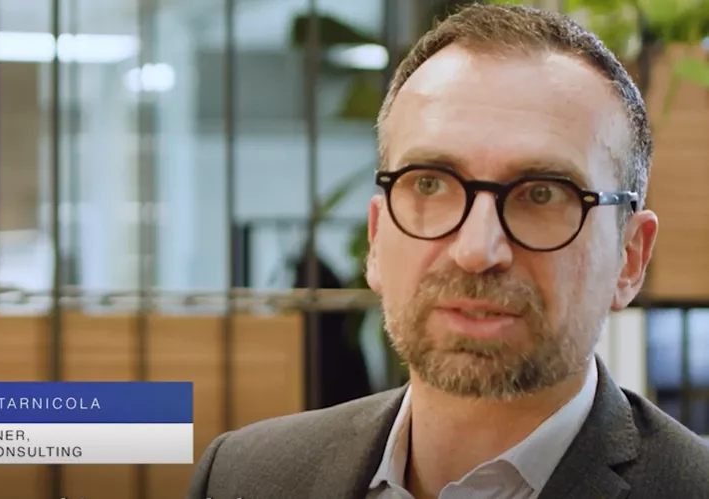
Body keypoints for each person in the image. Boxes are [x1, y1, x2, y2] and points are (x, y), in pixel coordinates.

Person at [187, 4, 709, 499]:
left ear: (629, 258)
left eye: (542, 194)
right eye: (430, 184)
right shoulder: (244, 476)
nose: (476, 251)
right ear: (377, 238)